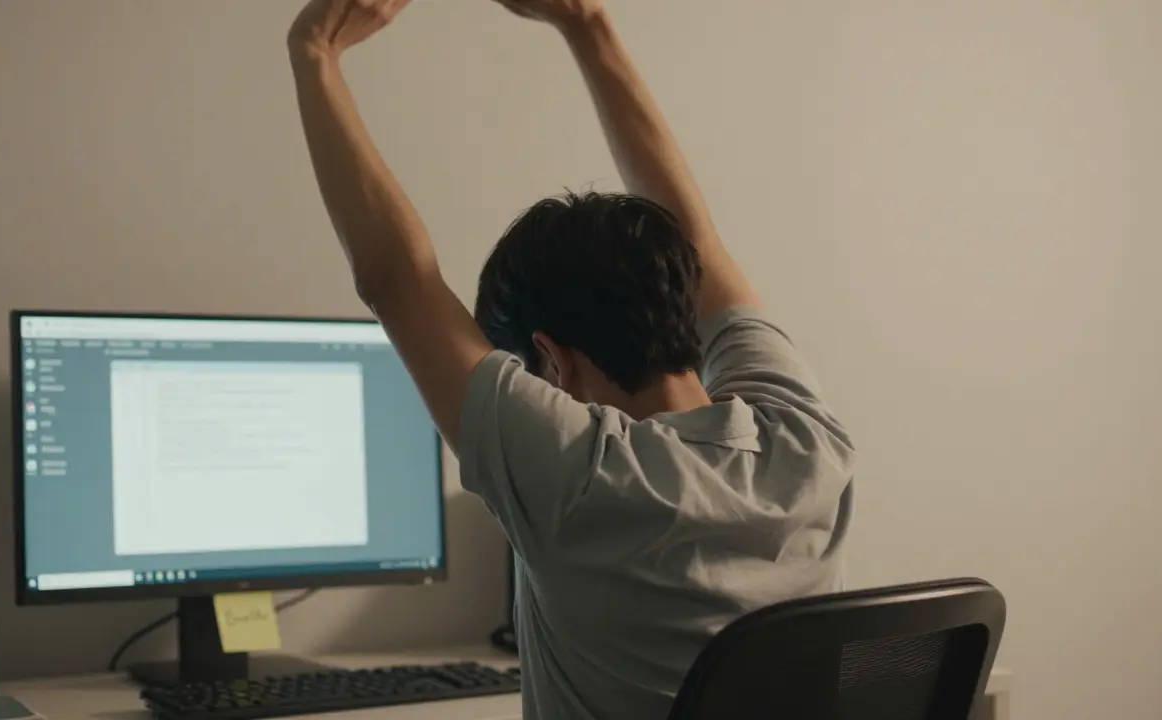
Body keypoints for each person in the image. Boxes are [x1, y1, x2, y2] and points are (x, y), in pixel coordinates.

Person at [286, 1, 856, 718]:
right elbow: (698, 242)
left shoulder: (581, 480)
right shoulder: (808, 440)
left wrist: (315, 51)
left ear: (551, 363)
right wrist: (588, 24)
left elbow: (396, 282)